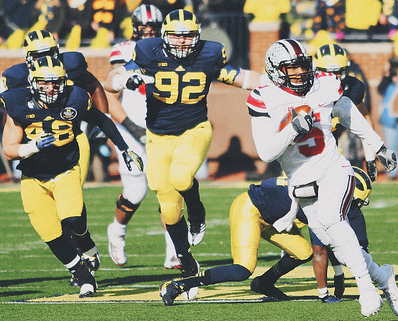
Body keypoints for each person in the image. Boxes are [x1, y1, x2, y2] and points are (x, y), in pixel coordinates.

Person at [104, 9, 262, 300]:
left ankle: (197, 210)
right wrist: (122, 81)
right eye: (176, 34)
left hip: (194, 130)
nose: (182, 41)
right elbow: (110, 81)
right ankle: (188, 266)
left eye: (188, 35)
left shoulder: (209, 54)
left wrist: (275, 84)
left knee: (180, 176)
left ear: (198, 35)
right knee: (167, 209)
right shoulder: (147, 51)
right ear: (164, 35)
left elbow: (240, 77)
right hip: (157, 137)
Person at [247, 38, 398, 317]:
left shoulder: (324, 83)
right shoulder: (263, 96)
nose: (300, 73)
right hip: (300, 179)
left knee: (332, 220)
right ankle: (382, 275)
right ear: (276, 70)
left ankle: (366, 287)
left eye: (303, 66)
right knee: (333, 241)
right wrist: (292, 129)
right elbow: (266, 153)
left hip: (333, 167)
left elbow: (347, 112)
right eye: (292, 68)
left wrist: (377, 146)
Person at [1, 57, 143, 298]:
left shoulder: (75, 97)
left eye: (55, 83)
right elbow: (8, 148)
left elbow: (101, 119)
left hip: (65, 168)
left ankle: (86, 243)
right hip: (33, 176)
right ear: (33, 83)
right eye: (44, 84)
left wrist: (124, 148)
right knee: (51, 234)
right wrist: (31, 147)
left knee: (72, 219)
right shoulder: (18, 103)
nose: (51, 89)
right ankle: (84, 276)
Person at [1, 29, 110, 287]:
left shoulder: (71, 65)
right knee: (51, 216)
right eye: (38, 55)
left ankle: (83, 244)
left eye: (49, 53)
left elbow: (94, 85)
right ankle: (80, 259)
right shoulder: (15, 78)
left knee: (70, 206)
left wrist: (100, 124)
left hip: (71, 141)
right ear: (28, 58)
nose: (45, 58)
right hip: (37, 147)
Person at [160, 175, 313, 305]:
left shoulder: (313, 181)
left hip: (274, 218)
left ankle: (264, 283)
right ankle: (179, 285)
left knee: (303, 253)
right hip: (249, 209)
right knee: (242, 269)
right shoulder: (317, 191)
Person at [104, 4, 179, 269]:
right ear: (135, 28)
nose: (148, 33)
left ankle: (174, 250)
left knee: (168, 189)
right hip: (131, 129)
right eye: (143, 28)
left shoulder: (169, 48)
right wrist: (134, 130)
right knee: (136, 191)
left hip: (163, 126)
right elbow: (111, 97)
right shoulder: (125, 50)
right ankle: (117, 231)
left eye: (152, 29)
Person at [309, 167, 398, 317]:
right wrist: (337, 274)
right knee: (342, 253)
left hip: (315, 199)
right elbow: (320, 249)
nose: (356, 207)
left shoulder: (354, 215)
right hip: (306, 197)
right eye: (355, 203)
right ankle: (384, 277)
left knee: (350, 254)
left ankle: (370, 289)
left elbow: (361, 256)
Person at [313, 43, 378, 180]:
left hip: (335, 142)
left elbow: (365, 119)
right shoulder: (306, 89)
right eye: (329, 73)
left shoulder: (352, 87)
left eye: (338, 73)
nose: (334, 78)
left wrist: (370, 156)